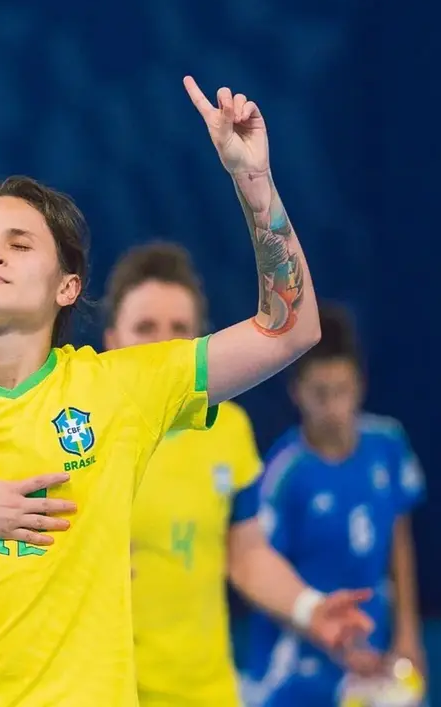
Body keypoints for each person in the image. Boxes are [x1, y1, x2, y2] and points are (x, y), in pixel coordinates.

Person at [0, 77, 355, 707]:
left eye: (19, 244)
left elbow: (289, 329)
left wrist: (255, 180)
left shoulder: (120, 388)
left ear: (67, 287)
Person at [103, 243, 374, 707]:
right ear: (110, 340)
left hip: (205, 693)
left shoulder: (228, 428)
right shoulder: (76, 434)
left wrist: (310, 610)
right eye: (145, 327)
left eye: (180, 329)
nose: (164, 342)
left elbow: (246, 555)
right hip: (99, 693)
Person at [242, 306, 427, 707]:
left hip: (374, 654)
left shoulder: (389, 444)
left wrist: (408, 633)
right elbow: (262, 573)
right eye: (319, 394)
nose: (333, 408)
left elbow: (399, 536)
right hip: (294, 669)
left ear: (360, 384)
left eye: (341, 390)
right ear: (296, 391)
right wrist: (334, 642)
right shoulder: (283, 475)